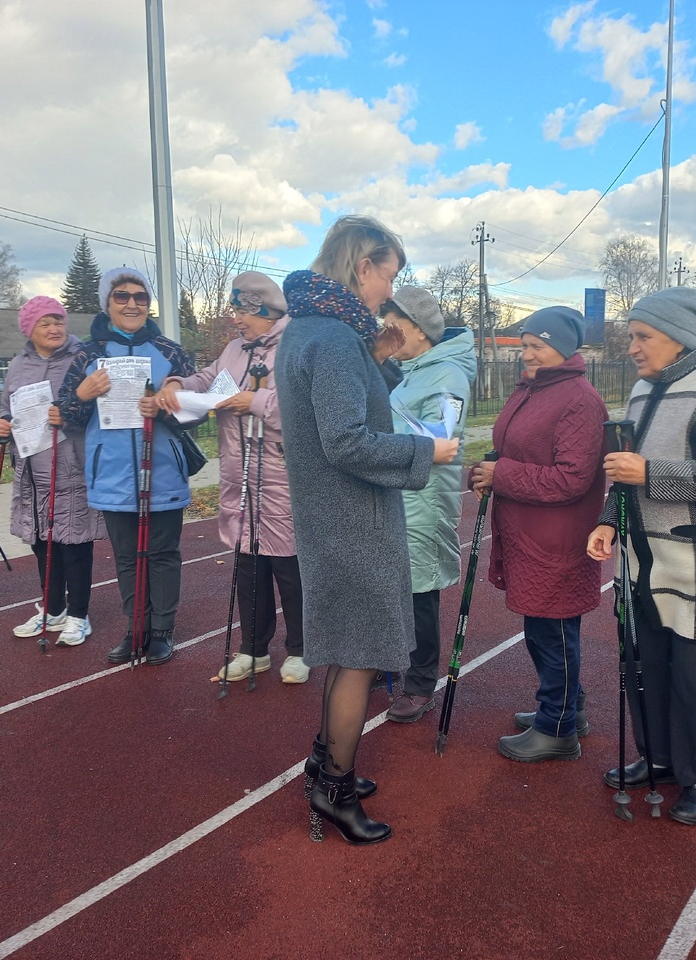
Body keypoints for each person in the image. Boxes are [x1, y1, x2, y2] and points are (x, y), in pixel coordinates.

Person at [276, 215, 460, 845]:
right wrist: (423, 453)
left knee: (345, 654)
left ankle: (326, 768)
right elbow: (346, 439)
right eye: (390, 275)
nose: (391, 290)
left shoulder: (313, 330)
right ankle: (333, 788)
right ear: (363, 268)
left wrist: (376, 358)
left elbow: (342, 406)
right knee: (356, 659)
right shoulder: (330, 337)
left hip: (336, 516)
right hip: (351, 518)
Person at [586, 286, 696, 825]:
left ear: (680, 337)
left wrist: (651, 475)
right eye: (632, 336)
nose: (633, 347)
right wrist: (607, 518)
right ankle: (659, 758)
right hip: (646, 556)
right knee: (646, 664)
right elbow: (625, 470)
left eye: (643, 336)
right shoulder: (643, 392)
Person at [468, 306, 607, 762]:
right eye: (524, 344)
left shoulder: (578, 399)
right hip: (528, 533)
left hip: (557, 540)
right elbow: (513, 447)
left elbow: (571, 479)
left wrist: (501, 473)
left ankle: (559, 727)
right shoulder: (532, 389)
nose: (525, 354)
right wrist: (488, 466)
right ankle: (568, 707)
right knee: (543, 629)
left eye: (536, 346)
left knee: (553, 632)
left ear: (564, 350)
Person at [163, 272, 308, 685]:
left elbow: (306, 404)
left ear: (263, 310)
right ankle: (253, 649)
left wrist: (257, 401)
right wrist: (179, 385)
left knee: (288, 567)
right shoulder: (234, 349)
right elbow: (208, 380)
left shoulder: (295, 346)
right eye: (235, 310)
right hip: (239, 475)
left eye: (242, 311)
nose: (236, 320)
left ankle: (300, 649)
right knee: (248, 565)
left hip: (281, 475)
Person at [57, 267, 195, 666]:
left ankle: (162, 630)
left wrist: (169, 402)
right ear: (108, 302)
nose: (132, 303)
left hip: (163, 467)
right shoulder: (86, 354)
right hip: (113, 474)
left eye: (140, 297)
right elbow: (66, 417)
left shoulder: (170, 351)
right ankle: (136, 627)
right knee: (127, 556)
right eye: (122, 296)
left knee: (163, 552)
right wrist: (82, 395)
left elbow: (196, 415)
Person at [378, 287, 477, 723]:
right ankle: (396, 666)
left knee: (419, 589)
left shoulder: (447, 374)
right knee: (397, 584)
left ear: (415, 327)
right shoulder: (410, 370)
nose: (385, 330)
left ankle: (420, 684)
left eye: (391, 321)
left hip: (423, 497)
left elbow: (442, 440)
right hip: (397, 490)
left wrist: (379, 438)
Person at [0, 296, 106, 647]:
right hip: (31, 469)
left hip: (71, 464)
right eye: (45, 322)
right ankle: (53, 608)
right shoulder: (17, 365)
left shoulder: (82, 357)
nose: (55, 328)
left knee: (74, 543)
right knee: (42, 542)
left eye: (58, 320)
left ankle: (78, 615)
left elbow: (103, 407)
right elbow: (6, 410)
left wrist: (71, 411)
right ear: (29, 329)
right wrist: (1, 426)